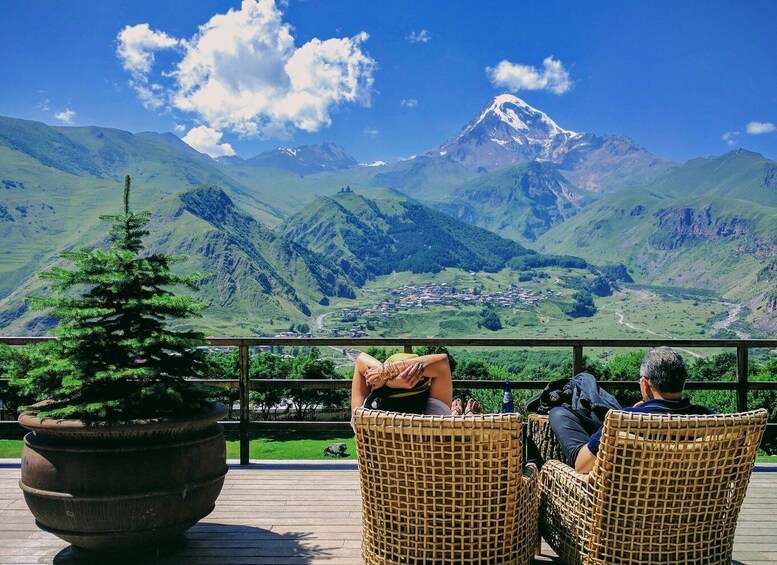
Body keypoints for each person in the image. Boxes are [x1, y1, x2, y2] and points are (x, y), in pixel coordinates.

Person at [548, 347, 714, 474]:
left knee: (558, 414)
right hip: (696, 510)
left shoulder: (623, 421)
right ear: (683, 383)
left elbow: (582, 466)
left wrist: (634, 413)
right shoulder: (709, 419)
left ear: (645, 384)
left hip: (627, 510)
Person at [350, 350, 479, 416]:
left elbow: (360, 360)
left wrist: (388, 380)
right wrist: (389, 373)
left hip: (377, 468)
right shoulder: (436, 419)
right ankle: (461, 414)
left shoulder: (363, 418)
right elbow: (442, 363)